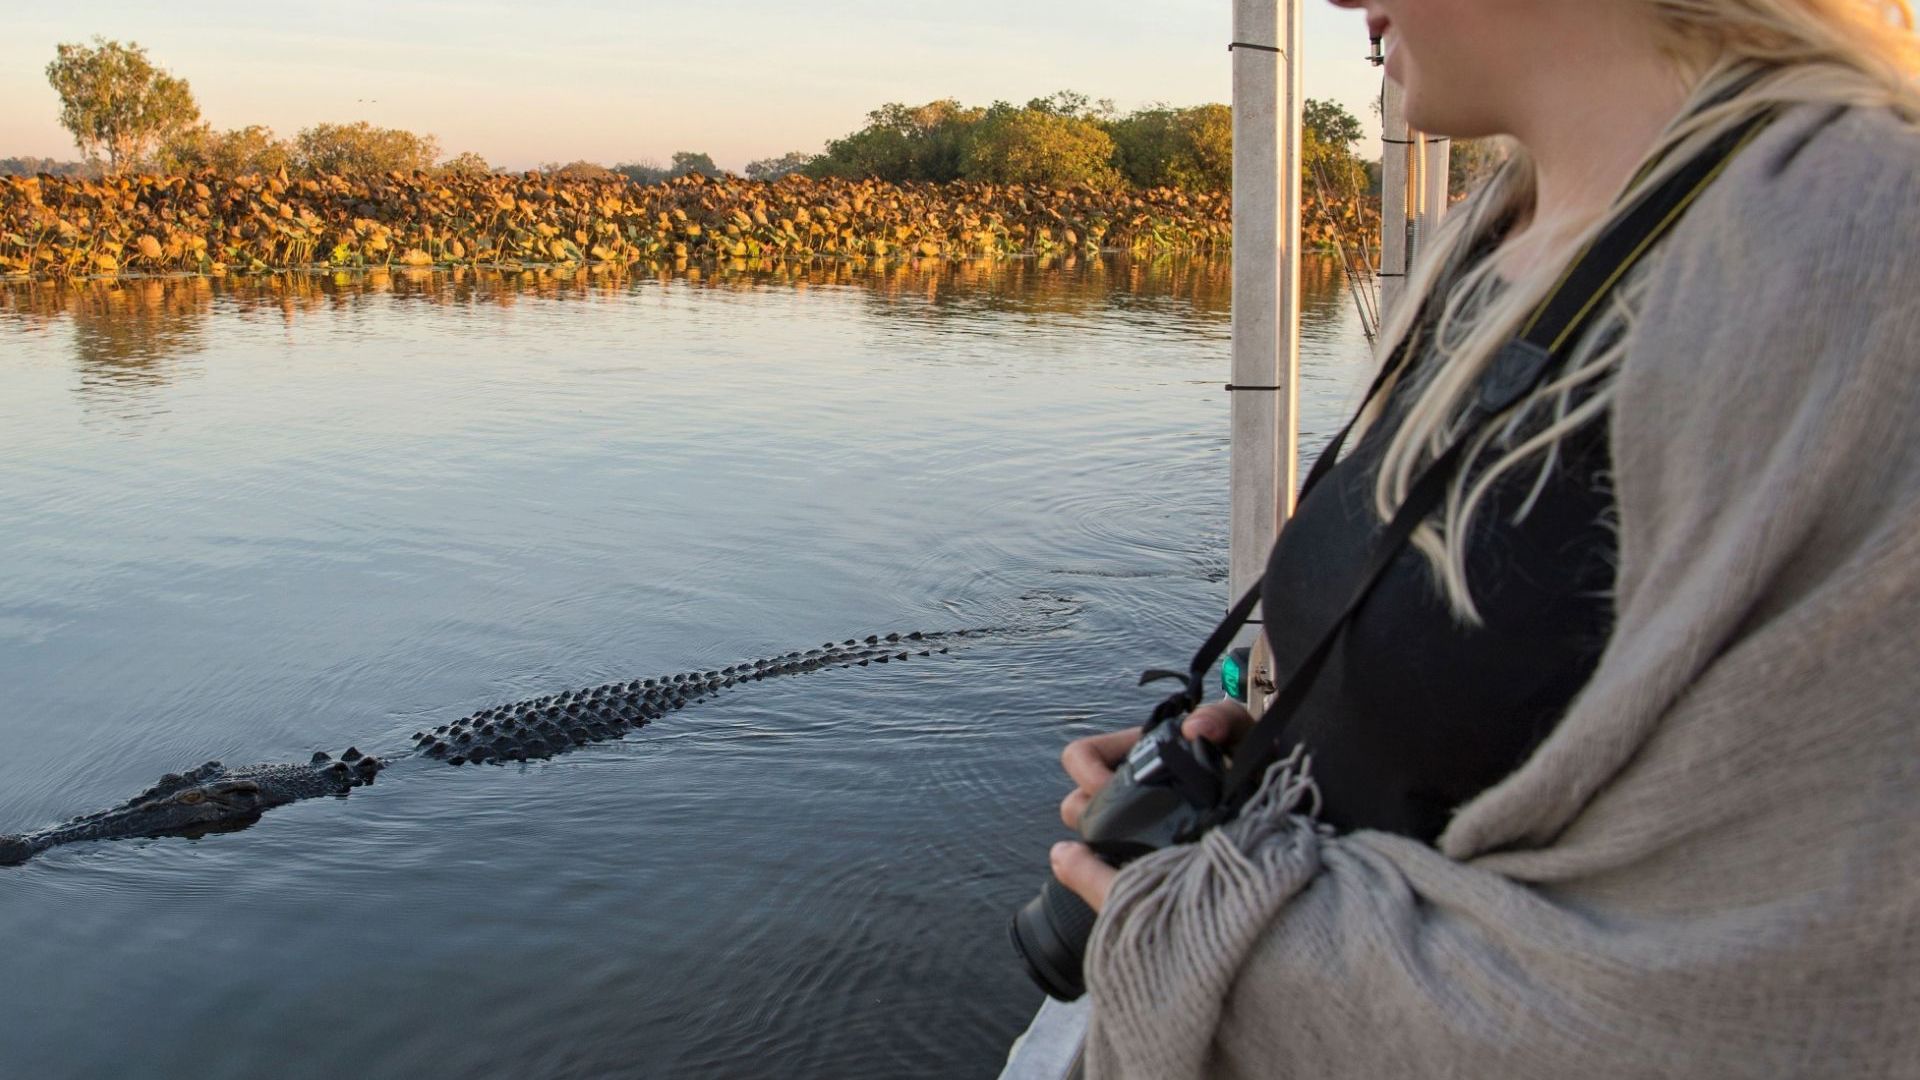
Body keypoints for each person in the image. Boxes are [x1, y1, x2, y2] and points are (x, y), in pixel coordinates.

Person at [1046, 1, 1920, 1076]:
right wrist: (1257, 766)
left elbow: (1798, 991)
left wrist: (1219, 931)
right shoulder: (1496, 236)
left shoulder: (1862, 251)